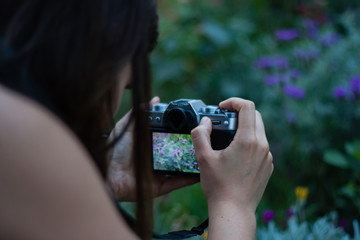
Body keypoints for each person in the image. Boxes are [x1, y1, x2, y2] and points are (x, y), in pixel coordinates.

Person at [0, 0, 273, 239]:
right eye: (126, 82)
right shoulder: (18, 135)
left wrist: (108, 175)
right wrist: (234, 204)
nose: (117, 100)